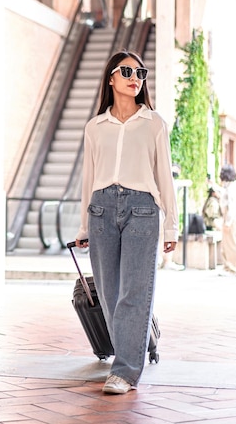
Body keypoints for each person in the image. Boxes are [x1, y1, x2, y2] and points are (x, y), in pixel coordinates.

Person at [73, 51, 178, 395]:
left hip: (143, 210)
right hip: (101, 209)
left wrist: (171, 226)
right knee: (108, 294)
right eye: (128, 71)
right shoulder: (95, 127)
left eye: (141, 73)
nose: (136, 78)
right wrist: (83, 226)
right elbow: (88, 178)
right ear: (111, 78)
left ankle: (126, 371)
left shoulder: (154, 123)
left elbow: (164, 176)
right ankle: (140, 337)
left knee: (134, 291)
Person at [218, 164, 236, 276]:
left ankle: (234, 268)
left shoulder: (232, 188)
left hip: (234, 218)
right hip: (233, 216)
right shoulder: (230, 186)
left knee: (232, 243)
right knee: (227, 243)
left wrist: (228, 222)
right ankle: (228, 266)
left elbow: (232, 206)